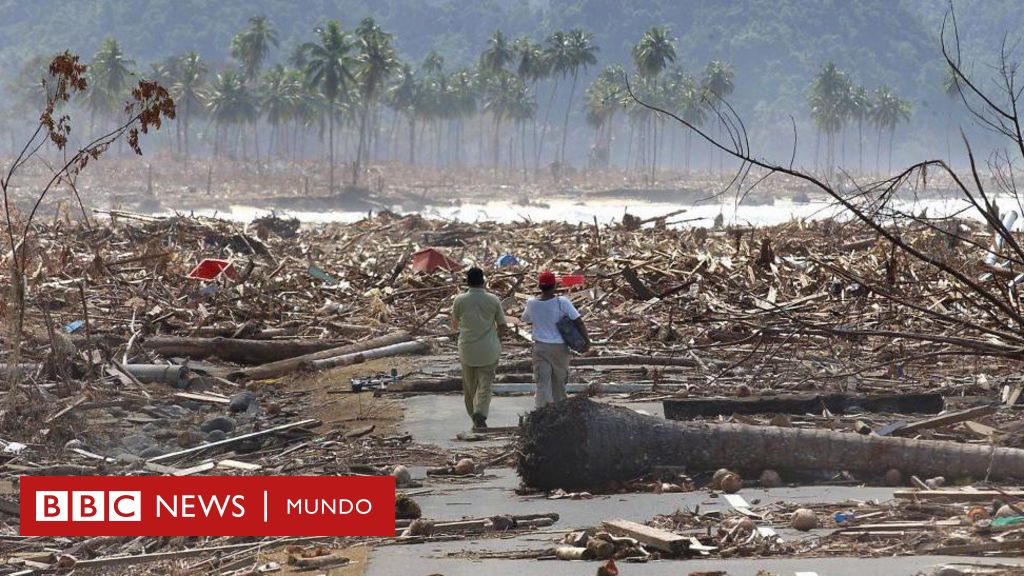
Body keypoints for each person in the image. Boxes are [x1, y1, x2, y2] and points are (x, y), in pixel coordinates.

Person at [522, 270, 590, 407]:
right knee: (559, 383)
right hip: (559, 348)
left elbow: (526, 319)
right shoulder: (562, 302)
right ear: (554, 286)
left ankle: (542, 412)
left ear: (539, 286)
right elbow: (578, 321)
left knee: (542, 382)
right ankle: (560, 412)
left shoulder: (531, 303)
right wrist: (586, 341)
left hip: (540, 347)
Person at [451, 267, 507, 428]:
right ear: (483, 281)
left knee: (469, 387)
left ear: (467, 282)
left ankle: (474, 416)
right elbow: (502, 325)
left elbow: (454, 325)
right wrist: (498, 340)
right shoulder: (493, 300)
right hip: (489, 349)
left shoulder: (459, 300)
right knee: (485, 385)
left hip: (467, 349)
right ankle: (480, 413)